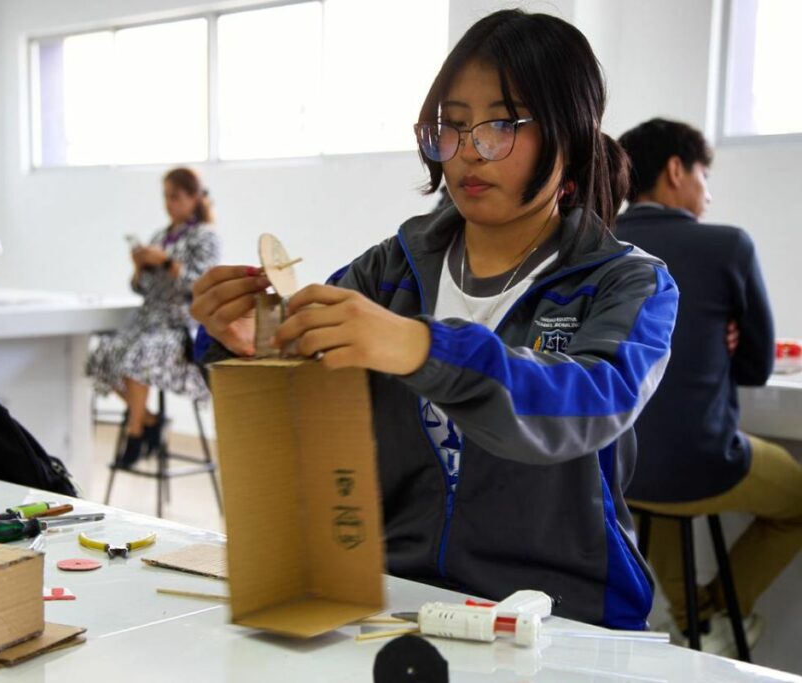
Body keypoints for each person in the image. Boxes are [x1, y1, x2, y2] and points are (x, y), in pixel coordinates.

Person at [191, 9, 678, 629]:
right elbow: (305, 400)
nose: (468, 152)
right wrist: (248, 344)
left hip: (560, 618)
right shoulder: (392, 269)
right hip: (398, 599)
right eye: (451, 125)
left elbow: (586, 403)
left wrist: (421, 349)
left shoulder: (626, 280)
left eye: (500, 124)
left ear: (570, 132)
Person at [616, 118, 801, 653]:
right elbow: (754, 370)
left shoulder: (600, 244)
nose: (708, 191)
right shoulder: (727, 245)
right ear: (676, 170)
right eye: (703, 174)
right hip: (700, 464)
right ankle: (720, 611)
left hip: (618, 469)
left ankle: (693, 619)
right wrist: (729, 343)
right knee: (796, 500)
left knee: (657, 487)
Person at [87, 167, 220, 467]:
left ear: (194, 198)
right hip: (148, 321)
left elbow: (201, 287)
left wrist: (168, 261)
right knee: (101, 356)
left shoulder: (206, 237)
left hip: (179, 329)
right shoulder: (161, 235)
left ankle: (135, 433)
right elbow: (142, 289)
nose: (168, 204)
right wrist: (139, 267)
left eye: (175, 197)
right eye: (166, 197)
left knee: (137, 356)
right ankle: (150, 420)